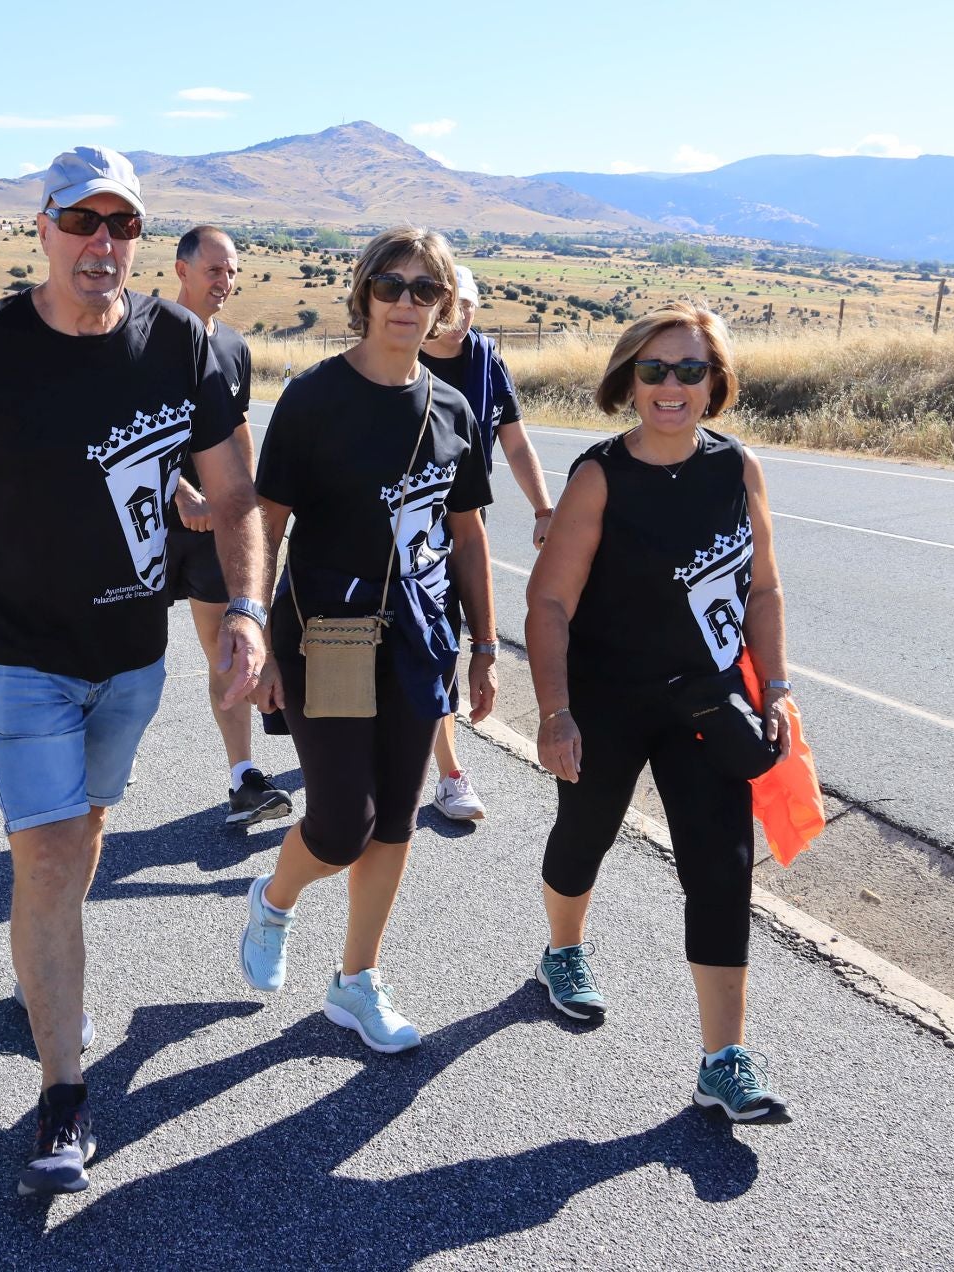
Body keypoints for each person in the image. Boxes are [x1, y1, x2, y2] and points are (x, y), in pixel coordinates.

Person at [0, 145, 265, 1196]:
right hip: (19, 656)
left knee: (84, 836)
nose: (102, 243)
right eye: (82, 221)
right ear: (44, 226)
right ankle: (64, 1095)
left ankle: (39, 973)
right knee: (53, 855)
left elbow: (235, 491)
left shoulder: (180, 345)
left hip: (130, 658)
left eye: (122, 225)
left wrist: (245, 607)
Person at [524, 300, 795, 1124]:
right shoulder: (601, 476)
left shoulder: (737, 468)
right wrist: (556, 712)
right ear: (628, 381)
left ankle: (723, 1060)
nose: (671, 386)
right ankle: (562, 951)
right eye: (653, 370)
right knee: (585, 835)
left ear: (715, 383)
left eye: (689, 370)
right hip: (608, 701)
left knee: (722, 869)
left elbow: (763, 589)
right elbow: (548, 605)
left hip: (708, 705)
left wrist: (776, 687)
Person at [242, 227, 496, 1054]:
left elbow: (466, 534)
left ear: (446, 305)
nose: (405, 302)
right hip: (331, 637)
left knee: (396, 822)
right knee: (342, 824)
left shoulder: (453, 408)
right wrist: (262, 640)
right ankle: (275, 898)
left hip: (421, 644)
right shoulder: (316, 399)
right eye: (391, 284)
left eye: (426, 290)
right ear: (363, 293)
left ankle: (356, 982)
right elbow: (267, 522)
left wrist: (486, 644)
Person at [416, 263, 556, 822]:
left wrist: (544, 507)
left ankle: (447, 772)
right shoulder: (403, 351)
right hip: (406, 529)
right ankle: (427, 757)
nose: (463, 316)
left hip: (462, 522)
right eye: (455, 303)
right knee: (416, 649)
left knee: (439, 648)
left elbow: (516, 443)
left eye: (471, 305)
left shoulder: (486, 358)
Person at [168, 224, 292, 825]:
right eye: (214, 270)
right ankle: (84, 755)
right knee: (119, 660)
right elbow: (126, 435)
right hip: (143, 525)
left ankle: (242, 777)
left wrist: (250, 502)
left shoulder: (235, 347)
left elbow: (236, 425)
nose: (226, 281)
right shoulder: (146, 337)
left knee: (228, 646)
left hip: (214, 527)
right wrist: (180, 489)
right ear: (181, 270)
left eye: (233, 271)